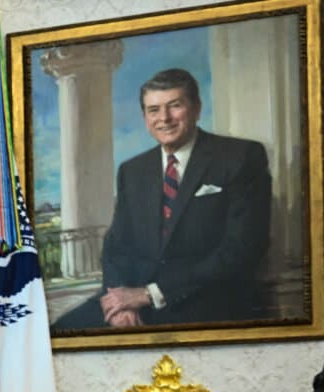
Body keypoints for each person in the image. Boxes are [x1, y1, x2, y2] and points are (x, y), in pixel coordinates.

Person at [57, 68, 272, 329]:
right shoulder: (132, 170)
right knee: (58, 333)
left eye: (175, 106)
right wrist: (119, 303)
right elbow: (116, 247)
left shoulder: (240, 157)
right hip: (136, 299)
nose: (164, 118)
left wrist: (149, 294)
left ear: (196, 108)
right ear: (145, 117)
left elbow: (241, 250)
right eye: (154, 110)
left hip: (206, 298)